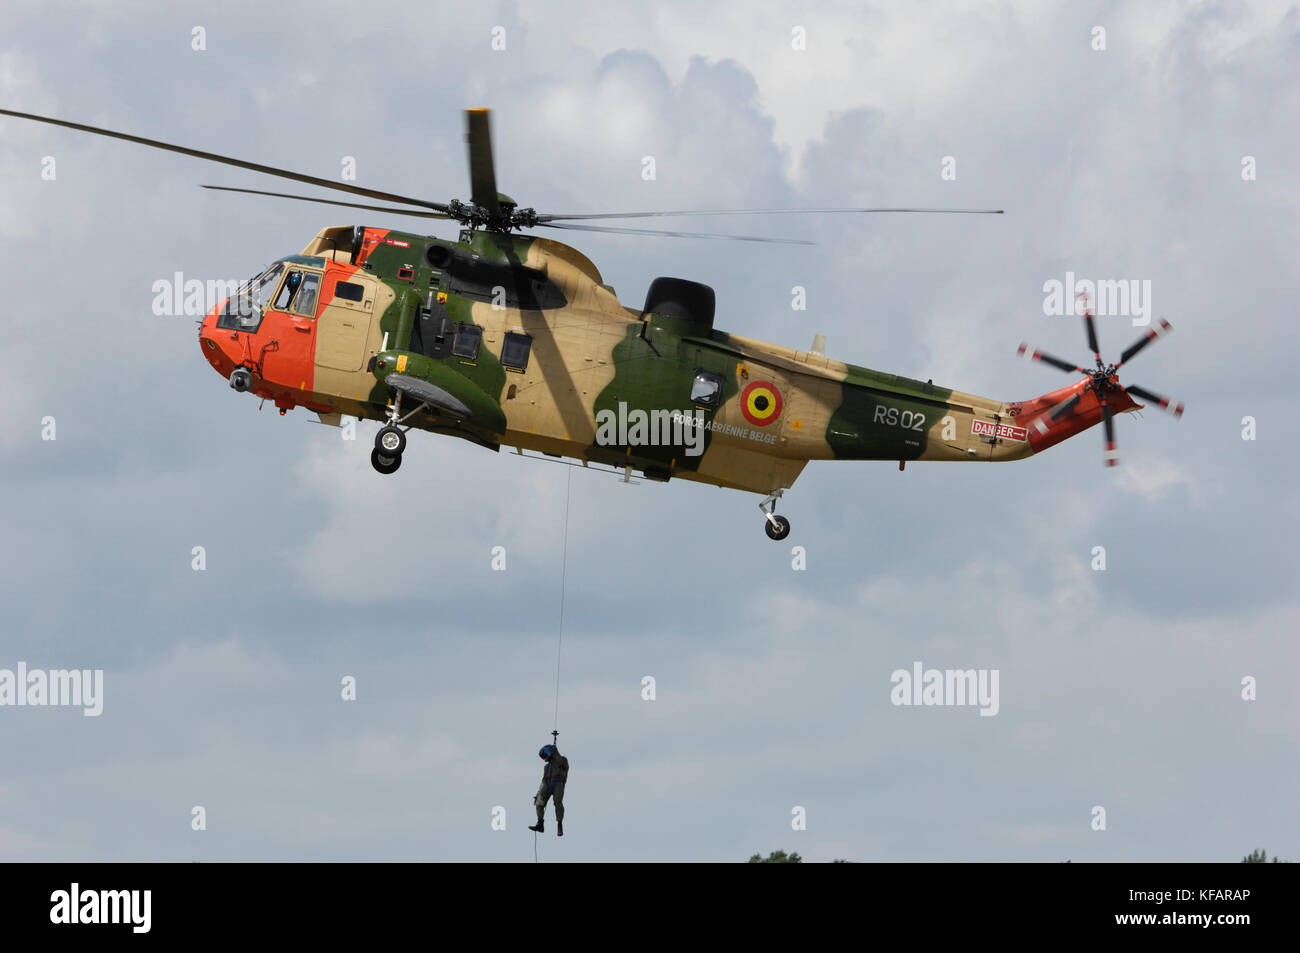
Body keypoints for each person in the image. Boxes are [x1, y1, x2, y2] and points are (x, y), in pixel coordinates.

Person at [528, 744, 569, 836]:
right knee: (539, 803)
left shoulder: (562, 760)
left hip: (558, 783)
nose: (545, 759)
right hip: (548, 784)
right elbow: (543, 781)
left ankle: (559, 824)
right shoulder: (547, 767)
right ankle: (540, 824)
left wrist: (554, 750)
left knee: (557, 802)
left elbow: (559, 762)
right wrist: (539, 793)